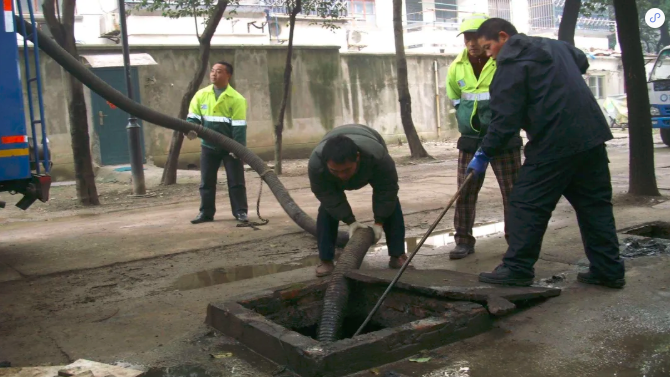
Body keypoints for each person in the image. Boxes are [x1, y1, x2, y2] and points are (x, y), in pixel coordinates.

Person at [467, 18, 625, 288]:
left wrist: (484, 153)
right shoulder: (556, 47)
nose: (489, 54)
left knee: (526, 204)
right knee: (594, 206)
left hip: (554, 142)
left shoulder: (510, 65)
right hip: (591, 137)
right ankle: (608, 269)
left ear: (503, 37)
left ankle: (517, 268)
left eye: (489, 46)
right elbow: (582, 61)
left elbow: (504, 120)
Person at [446, 13, 522, 260]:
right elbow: (457, 99)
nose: (471, 43)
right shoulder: (456, 67)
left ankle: (517, 241)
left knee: (512, 192)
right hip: (470, 139)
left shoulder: (502, 61)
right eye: (467, 38)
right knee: (465, 192)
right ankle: (463, 240)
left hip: (503, 138)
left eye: (475, 37)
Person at [308, 124, 409, 277]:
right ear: (326, 163)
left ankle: (398, 254)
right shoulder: (317, 164)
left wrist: (379, 222)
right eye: (335, 171)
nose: (342, 176)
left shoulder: (378, 157)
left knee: (392, 202)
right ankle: (326, 260)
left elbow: (386, 191)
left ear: (358, 157)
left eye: (346, 170)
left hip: (370, 139)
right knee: (327, 208)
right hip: (332, 150)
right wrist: (351, 221)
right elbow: (327, 196)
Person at [186, 61, 249, 224]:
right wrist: (191, 129)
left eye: (219, 71)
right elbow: (193, 116)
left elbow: (239, 126)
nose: (214, 74)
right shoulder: (201, 95)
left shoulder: (237, 99)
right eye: (212, 71)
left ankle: (240, 212)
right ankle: (206, 213)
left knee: (236, 181)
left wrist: (238, 148)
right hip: (208, 146)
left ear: (228, 75)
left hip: (230, 148)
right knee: (206, 181)